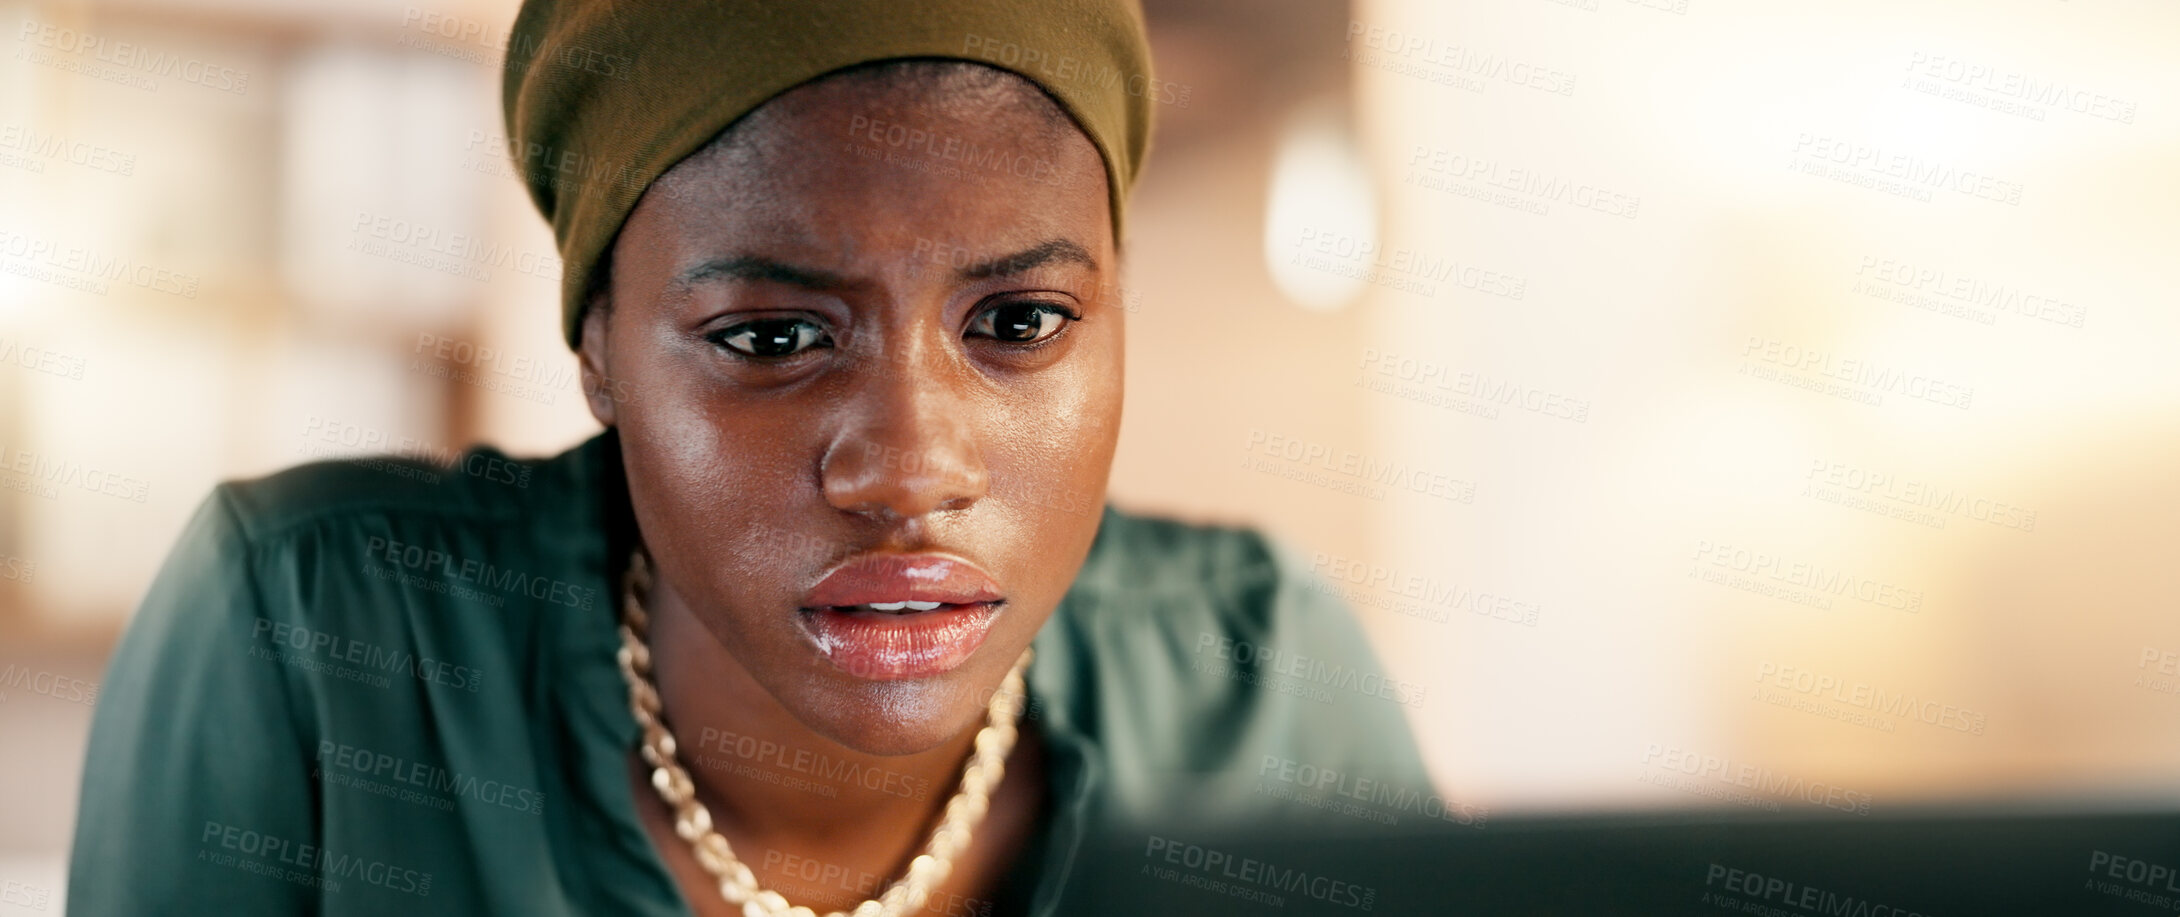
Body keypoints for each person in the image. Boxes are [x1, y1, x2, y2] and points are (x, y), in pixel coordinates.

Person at [67, 1, 1431, 914]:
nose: (908, 467)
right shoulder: (318, 638)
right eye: (773, 335)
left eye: (1018, 321)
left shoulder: (1263, 687)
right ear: (598, 350)